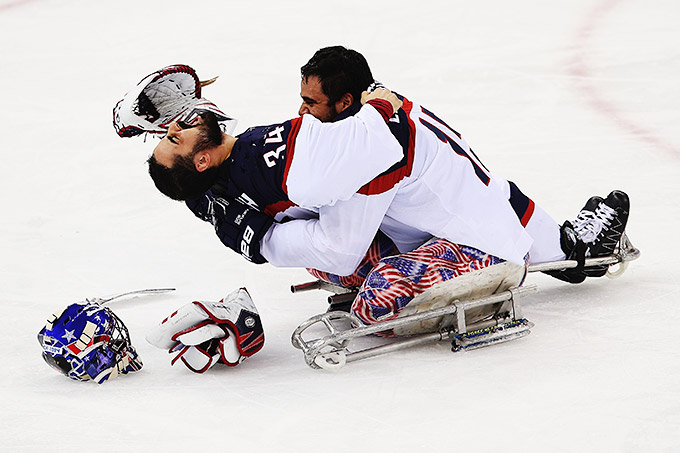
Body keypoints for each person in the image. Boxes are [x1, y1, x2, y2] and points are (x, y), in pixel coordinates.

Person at [115, 55, 629, 336]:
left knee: (371, 284)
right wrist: (260, 234)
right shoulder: (304, 151)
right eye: (172, 138)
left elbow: (333, 234)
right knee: (355, 257)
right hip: (451, 210)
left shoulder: (323, 150)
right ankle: (572, 248)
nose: (173, 128)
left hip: (474, 228)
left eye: (167, 133)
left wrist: (265, 239)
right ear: (201, 162)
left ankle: (574, 249)